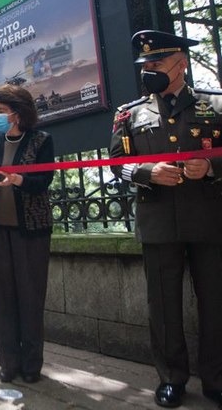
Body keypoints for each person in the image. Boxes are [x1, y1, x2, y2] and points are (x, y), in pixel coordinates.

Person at [109, 30, 222, 408]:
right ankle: (172, 378)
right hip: (158, 221)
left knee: (215, 302)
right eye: (145, 65)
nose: (149, 70)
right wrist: (146, 172)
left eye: (157, 63)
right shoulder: (129, 113)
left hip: (209, 220)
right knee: (163, 304)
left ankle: (216, 378)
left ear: (181, 63)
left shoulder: (215, 104)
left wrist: (209, 165)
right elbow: (115, 165)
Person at [0, 85, 54, 384]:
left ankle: (31, 365)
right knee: (1, 299)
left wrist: (20, 179)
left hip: (30, 232)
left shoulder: (41, 140)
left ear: (17, 113)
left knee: (30, 298)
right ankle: (8, 363)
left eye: (0, 112)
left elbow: (44, 179)